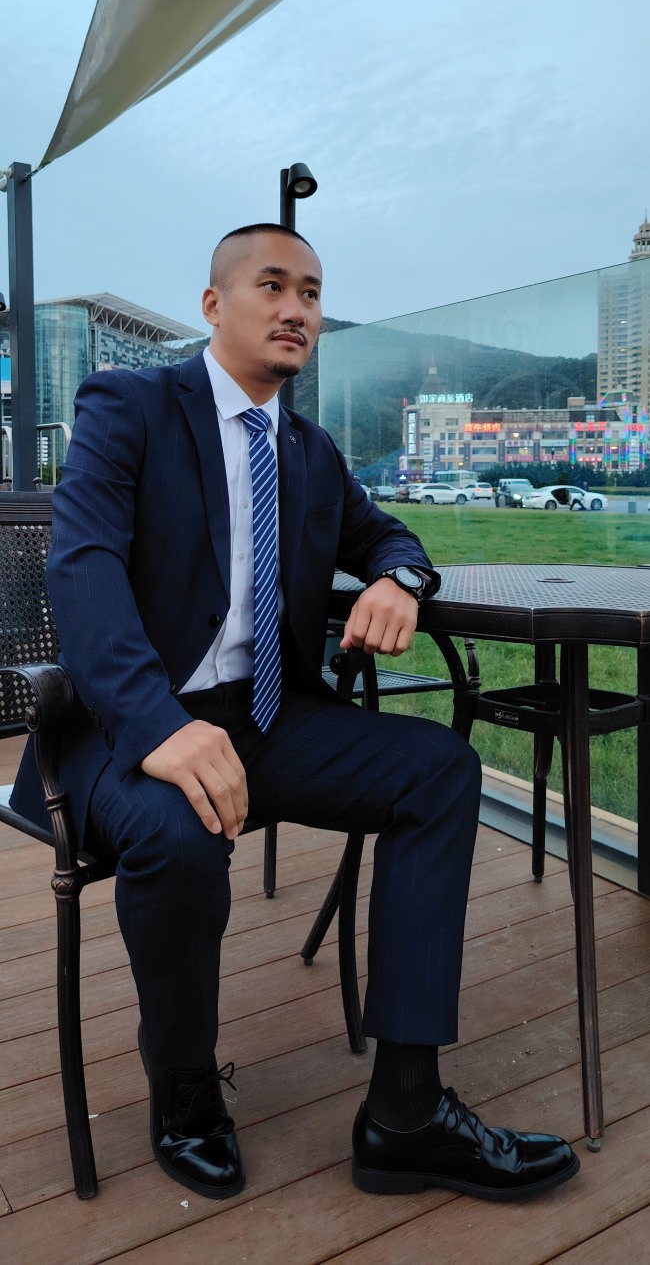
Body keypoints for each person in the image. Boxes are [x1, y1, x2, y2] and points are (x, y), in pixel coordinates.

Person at [11, 224, 579, 1204]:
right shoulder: (129, 405)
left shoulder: (308, 451)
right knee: (177, 831)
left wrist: (398, 577)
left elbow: (387, 533)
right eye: (271, 285)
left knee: (439, 771)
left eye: (311, 293)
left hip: (267, 717)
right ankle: (185, 1089)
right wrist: (160, 727)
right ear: (212, 304)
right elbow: (84, 569)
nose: (296, 309)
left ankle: (405, 1112)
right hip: (120, 721)